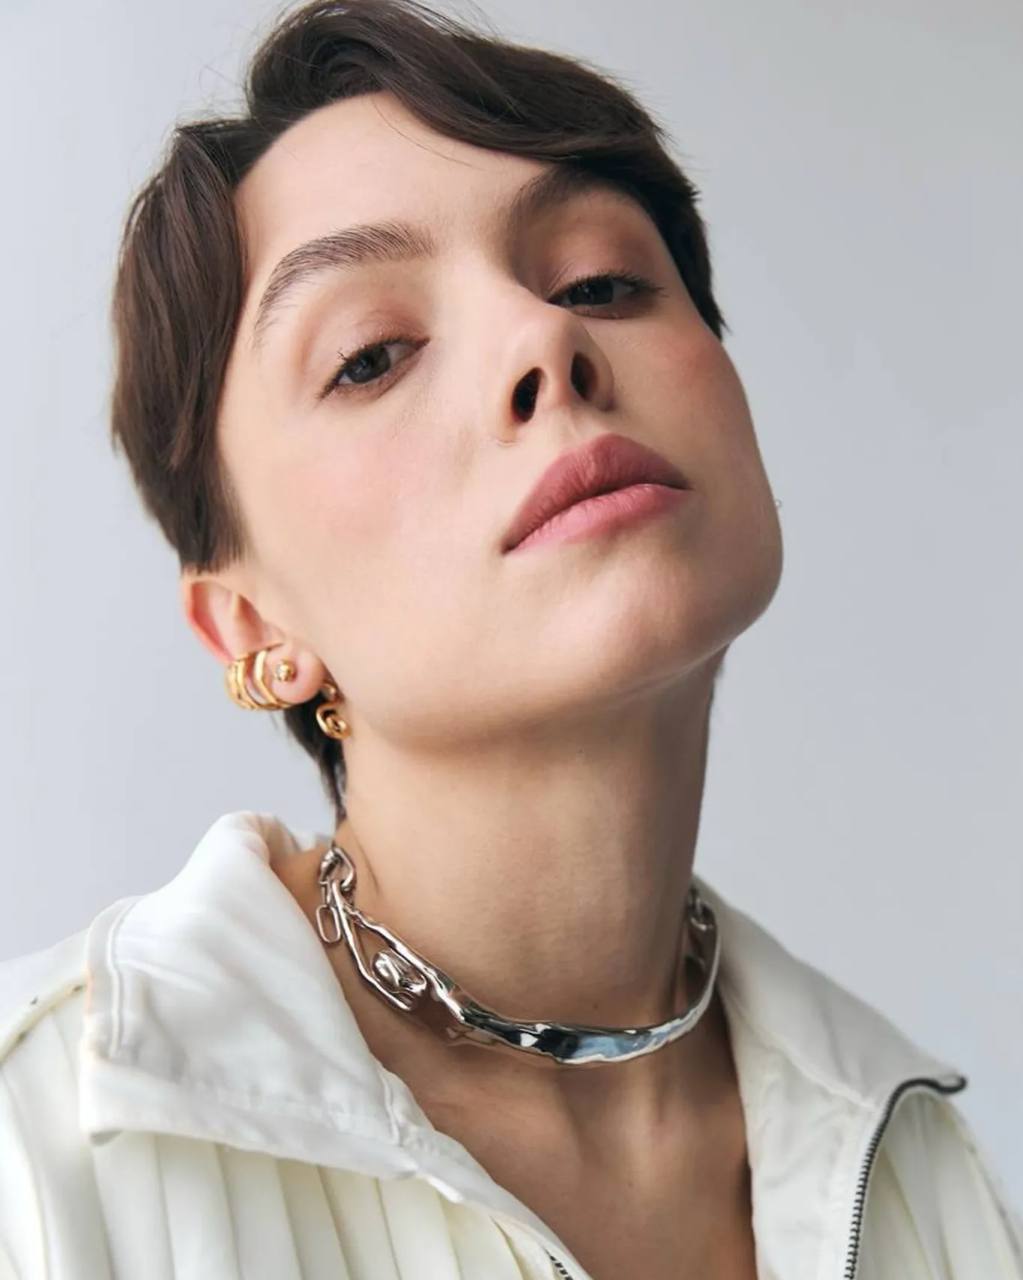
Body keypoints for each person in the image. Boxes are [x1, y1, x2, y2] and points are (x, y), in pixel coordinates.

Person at [1, 1, 1020, 1277]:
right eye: (372, 355)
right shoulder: (37, 1153)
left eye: (601, 281)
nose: (548, 337)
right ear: (254, 626)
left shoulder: (928, 1175)